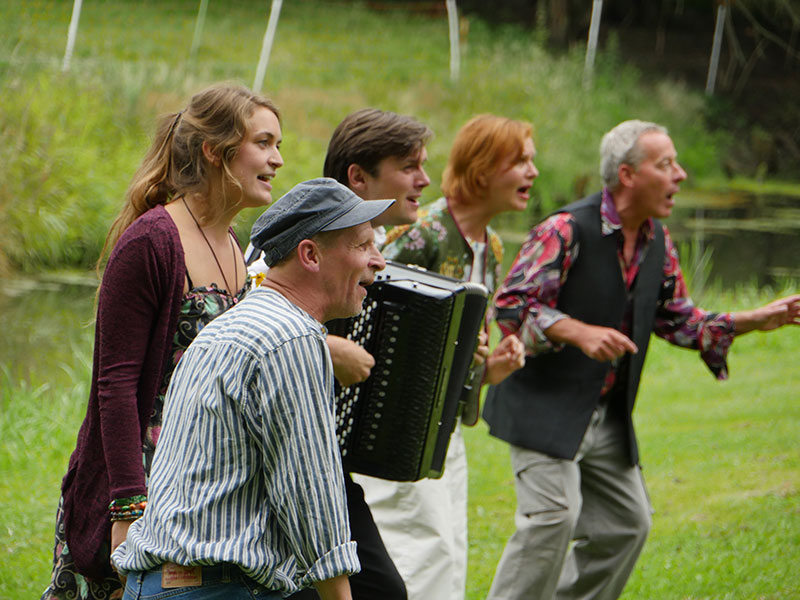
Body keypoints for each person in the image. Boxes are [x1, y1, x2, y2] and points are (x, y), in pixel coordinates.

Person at [483, 119, 800, 600]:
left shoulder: (659, 244)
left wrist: (753, 320)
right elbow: (511, 306)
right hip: (544, 408)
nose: (681, 175)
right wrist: (577, 332)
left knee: (625, 525)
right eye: (666, 164)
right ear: (628, 175)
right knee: (554, 517)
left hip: (606, 416)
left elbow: (679, 319)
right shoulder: (564, 230)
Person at [41, 83, 284, 600]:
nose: (277, 159)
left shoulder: (234, 245)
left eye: (277, 145)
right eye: (263, 143)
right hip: (144, 483)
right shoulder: (152, 242)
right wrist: (127, 507)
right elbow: (115, 385)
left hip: (203, 484)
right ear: (215, 152)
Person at [112, 178, 394, 600]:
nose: (379, 261)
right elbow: (308, 487)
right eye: (363, 245)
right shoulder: (291, 337)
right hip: (213, 590)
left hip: (160, 585)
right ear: (310, 255)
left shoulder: (226, 326)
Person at [246, 108, 432, 600]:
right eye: (409, 166)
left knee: (385, 590)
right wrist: (325, 348)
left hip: (328, 460)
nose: (425, 180)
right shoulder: (295, 231)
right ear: (357, 177)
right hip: (274, 458)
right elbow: (251, 305)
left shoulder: (387, 261)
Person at [353, 114, 533, 600]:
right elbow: (379, 320)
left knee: (450, 551)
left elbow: (456, 352)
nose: (533, 173)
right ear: (480, 169)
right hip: (407, 426)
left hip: (445, 427)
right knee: (421, 553)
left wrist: (488, 368)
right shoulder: (422, 234)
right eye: (520, 161)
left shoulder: (490, 247)